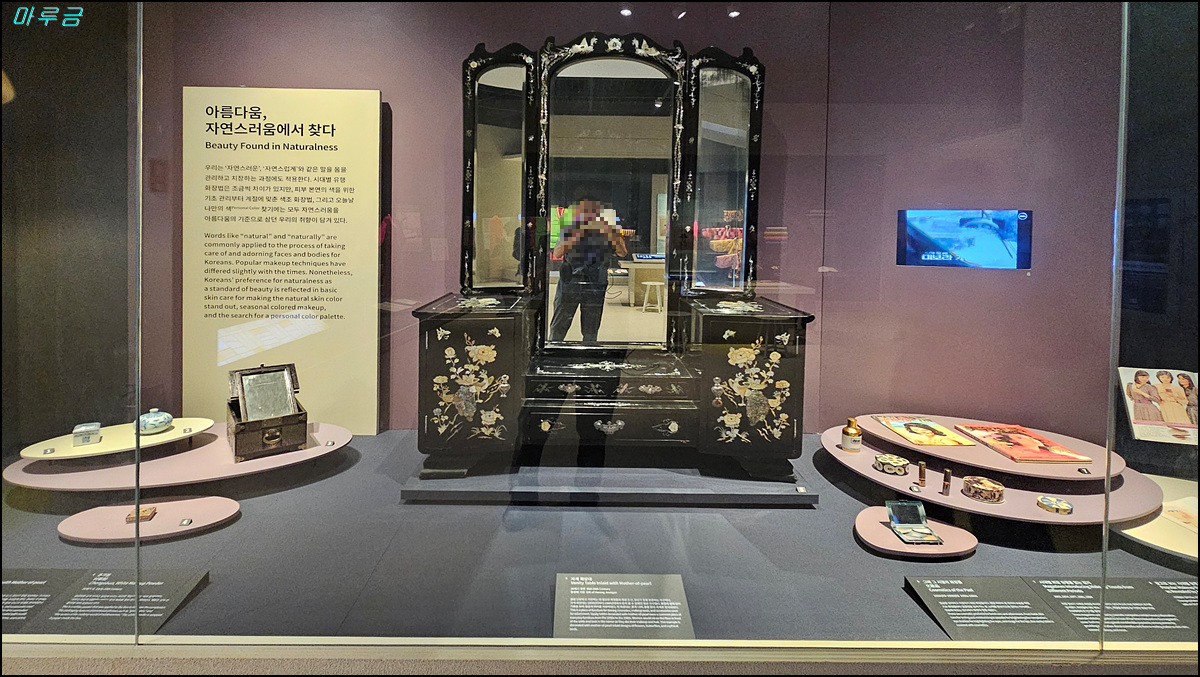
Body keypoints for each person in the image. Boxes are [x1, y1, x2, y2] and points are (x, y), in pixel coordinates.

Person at [547, 198, 626, 343]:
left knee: (591, 327)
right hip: (570, 282)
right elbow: (557, 253)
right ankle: (553, 349)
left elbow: (622, 252)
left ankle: (589, 352)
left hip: (595, 283)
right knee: (560, 323)